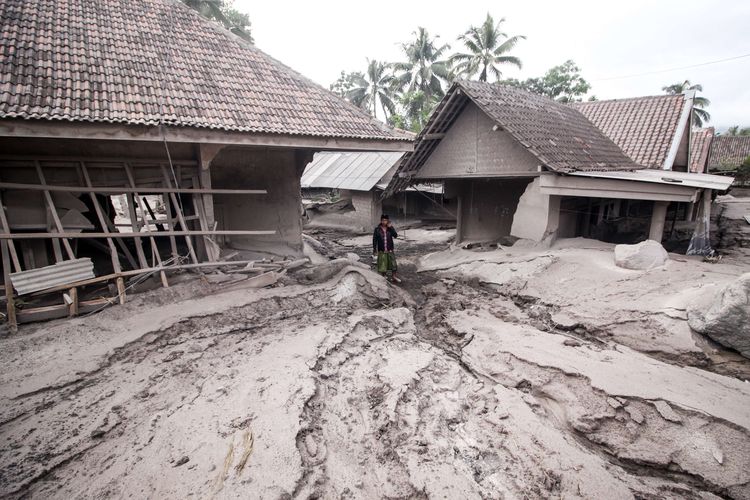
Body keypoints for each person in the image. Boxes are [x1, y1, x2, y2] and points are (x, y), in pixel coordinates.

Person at [372, 214, 401, 283]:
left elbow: (395, 235)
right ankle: (384, 277)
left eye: (385, 220)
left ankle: (394, 277)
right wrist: (374, 249)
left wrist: (391, 228)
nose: (384, 221)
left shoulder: (390, 228)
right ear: (381, 221)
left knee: (393, 264)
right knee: (383, 265)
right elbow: (374, 240)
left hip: (390, 249)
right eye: (383, 220)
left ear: (388, 221)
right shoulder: (377, 229)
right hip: (382, 250)